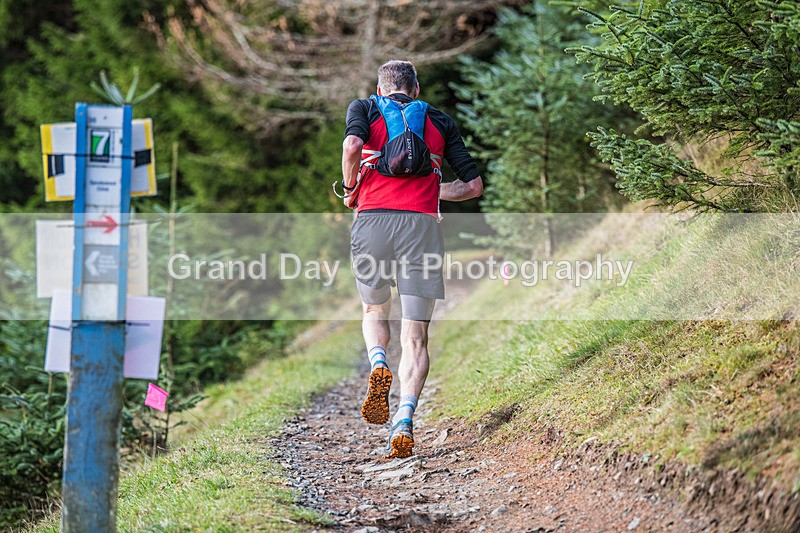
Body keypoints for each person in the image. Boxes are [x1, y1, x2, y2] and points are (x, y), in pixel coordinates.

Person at [340, 60, 483, 458]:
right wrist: (432, 193)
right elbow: (472, 186)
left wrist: (351, 187)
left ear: (381, 88)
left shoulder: (365, 109)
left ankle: (378, 363)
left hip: (372, 223)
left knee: (374, 308)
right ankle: (403, 419)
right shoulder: (439, 120)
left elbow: (352, 147)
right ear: (416, 89)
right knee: (416, 335)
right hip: (421, 228)